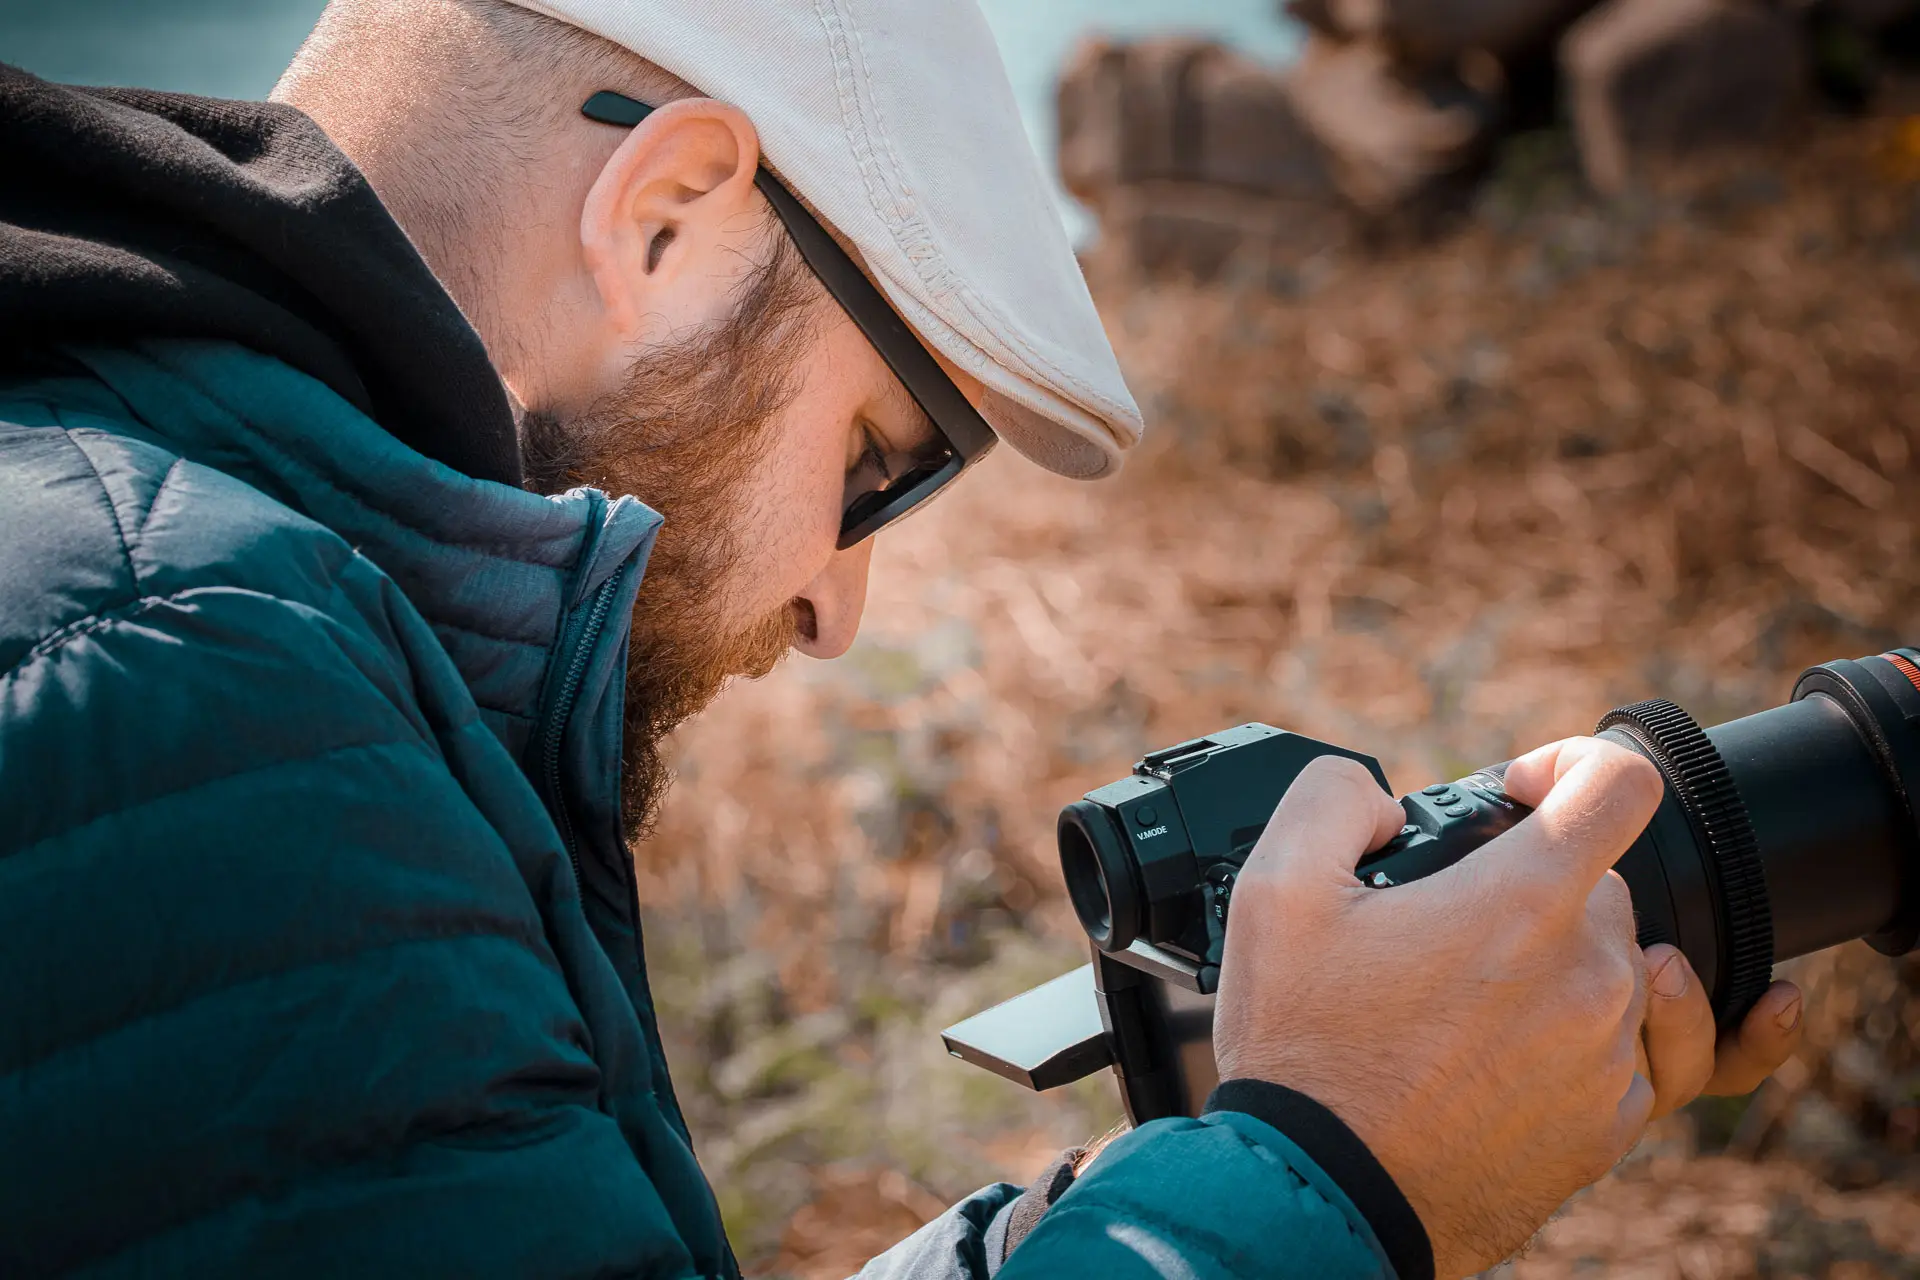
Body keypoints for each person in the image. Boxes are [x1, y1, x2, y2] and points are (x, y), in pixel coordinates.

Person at [0, 1, 1805, 1276]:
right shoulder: (192, 666)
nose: (836, 609)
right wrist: (1342, 1169)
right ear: (665, 219)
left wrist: (1157, 1201)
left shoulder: (180, 588)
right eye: (879, 461)